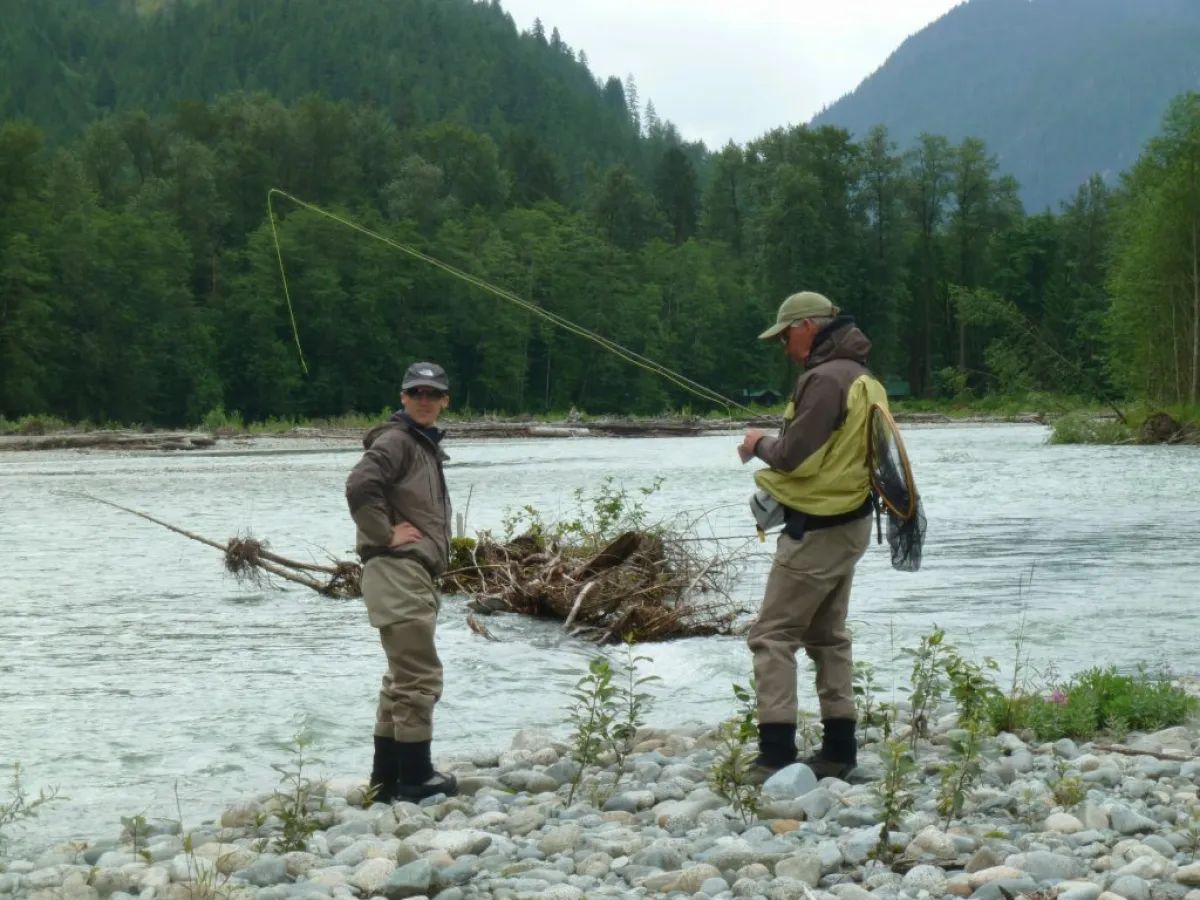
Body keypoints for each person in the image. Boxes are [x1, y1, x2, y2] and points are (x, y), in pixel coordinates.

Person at [737, 291, 888, 780]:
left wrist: (758, 442)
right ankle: (838, 752)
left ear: (807, 326)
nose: (783, 345)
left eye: (785, 335)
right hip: (852, 524)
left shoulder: (823, 379)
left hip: (818, 529)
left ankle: (774, 755)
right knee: (827, 637)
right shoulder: (864, 379)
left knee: (772, 636)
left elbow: (793, 456)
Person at [345, 361, 458, 802]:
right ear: (403, 398)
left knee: (399, 677)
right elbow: (359, 485)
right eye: (417, 394)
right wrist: (383, 533)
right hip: (398, 570)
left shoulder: (421, 444)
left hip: (404, 573)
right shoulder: (397, 441)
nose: (425, 401)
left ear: (445, 400)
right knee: (419, 676)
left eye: (433, 394)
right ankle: (415, 778)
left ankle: (385, 780)